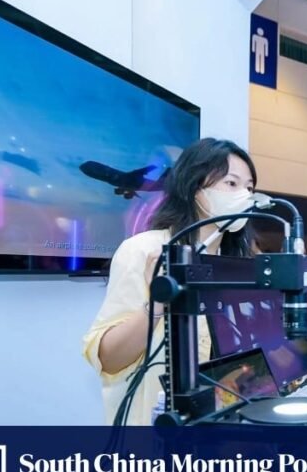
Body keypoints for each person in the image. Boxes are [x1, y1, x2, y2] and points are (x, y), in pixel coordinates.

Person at [82, 138, 258, 426]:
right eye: (231, 183)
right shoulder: (144, 251)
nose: (245, 196)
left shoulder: (239, 264)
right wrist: (159, 302)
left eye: (249, 188)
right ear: (194, 188)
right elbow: (110, 359)